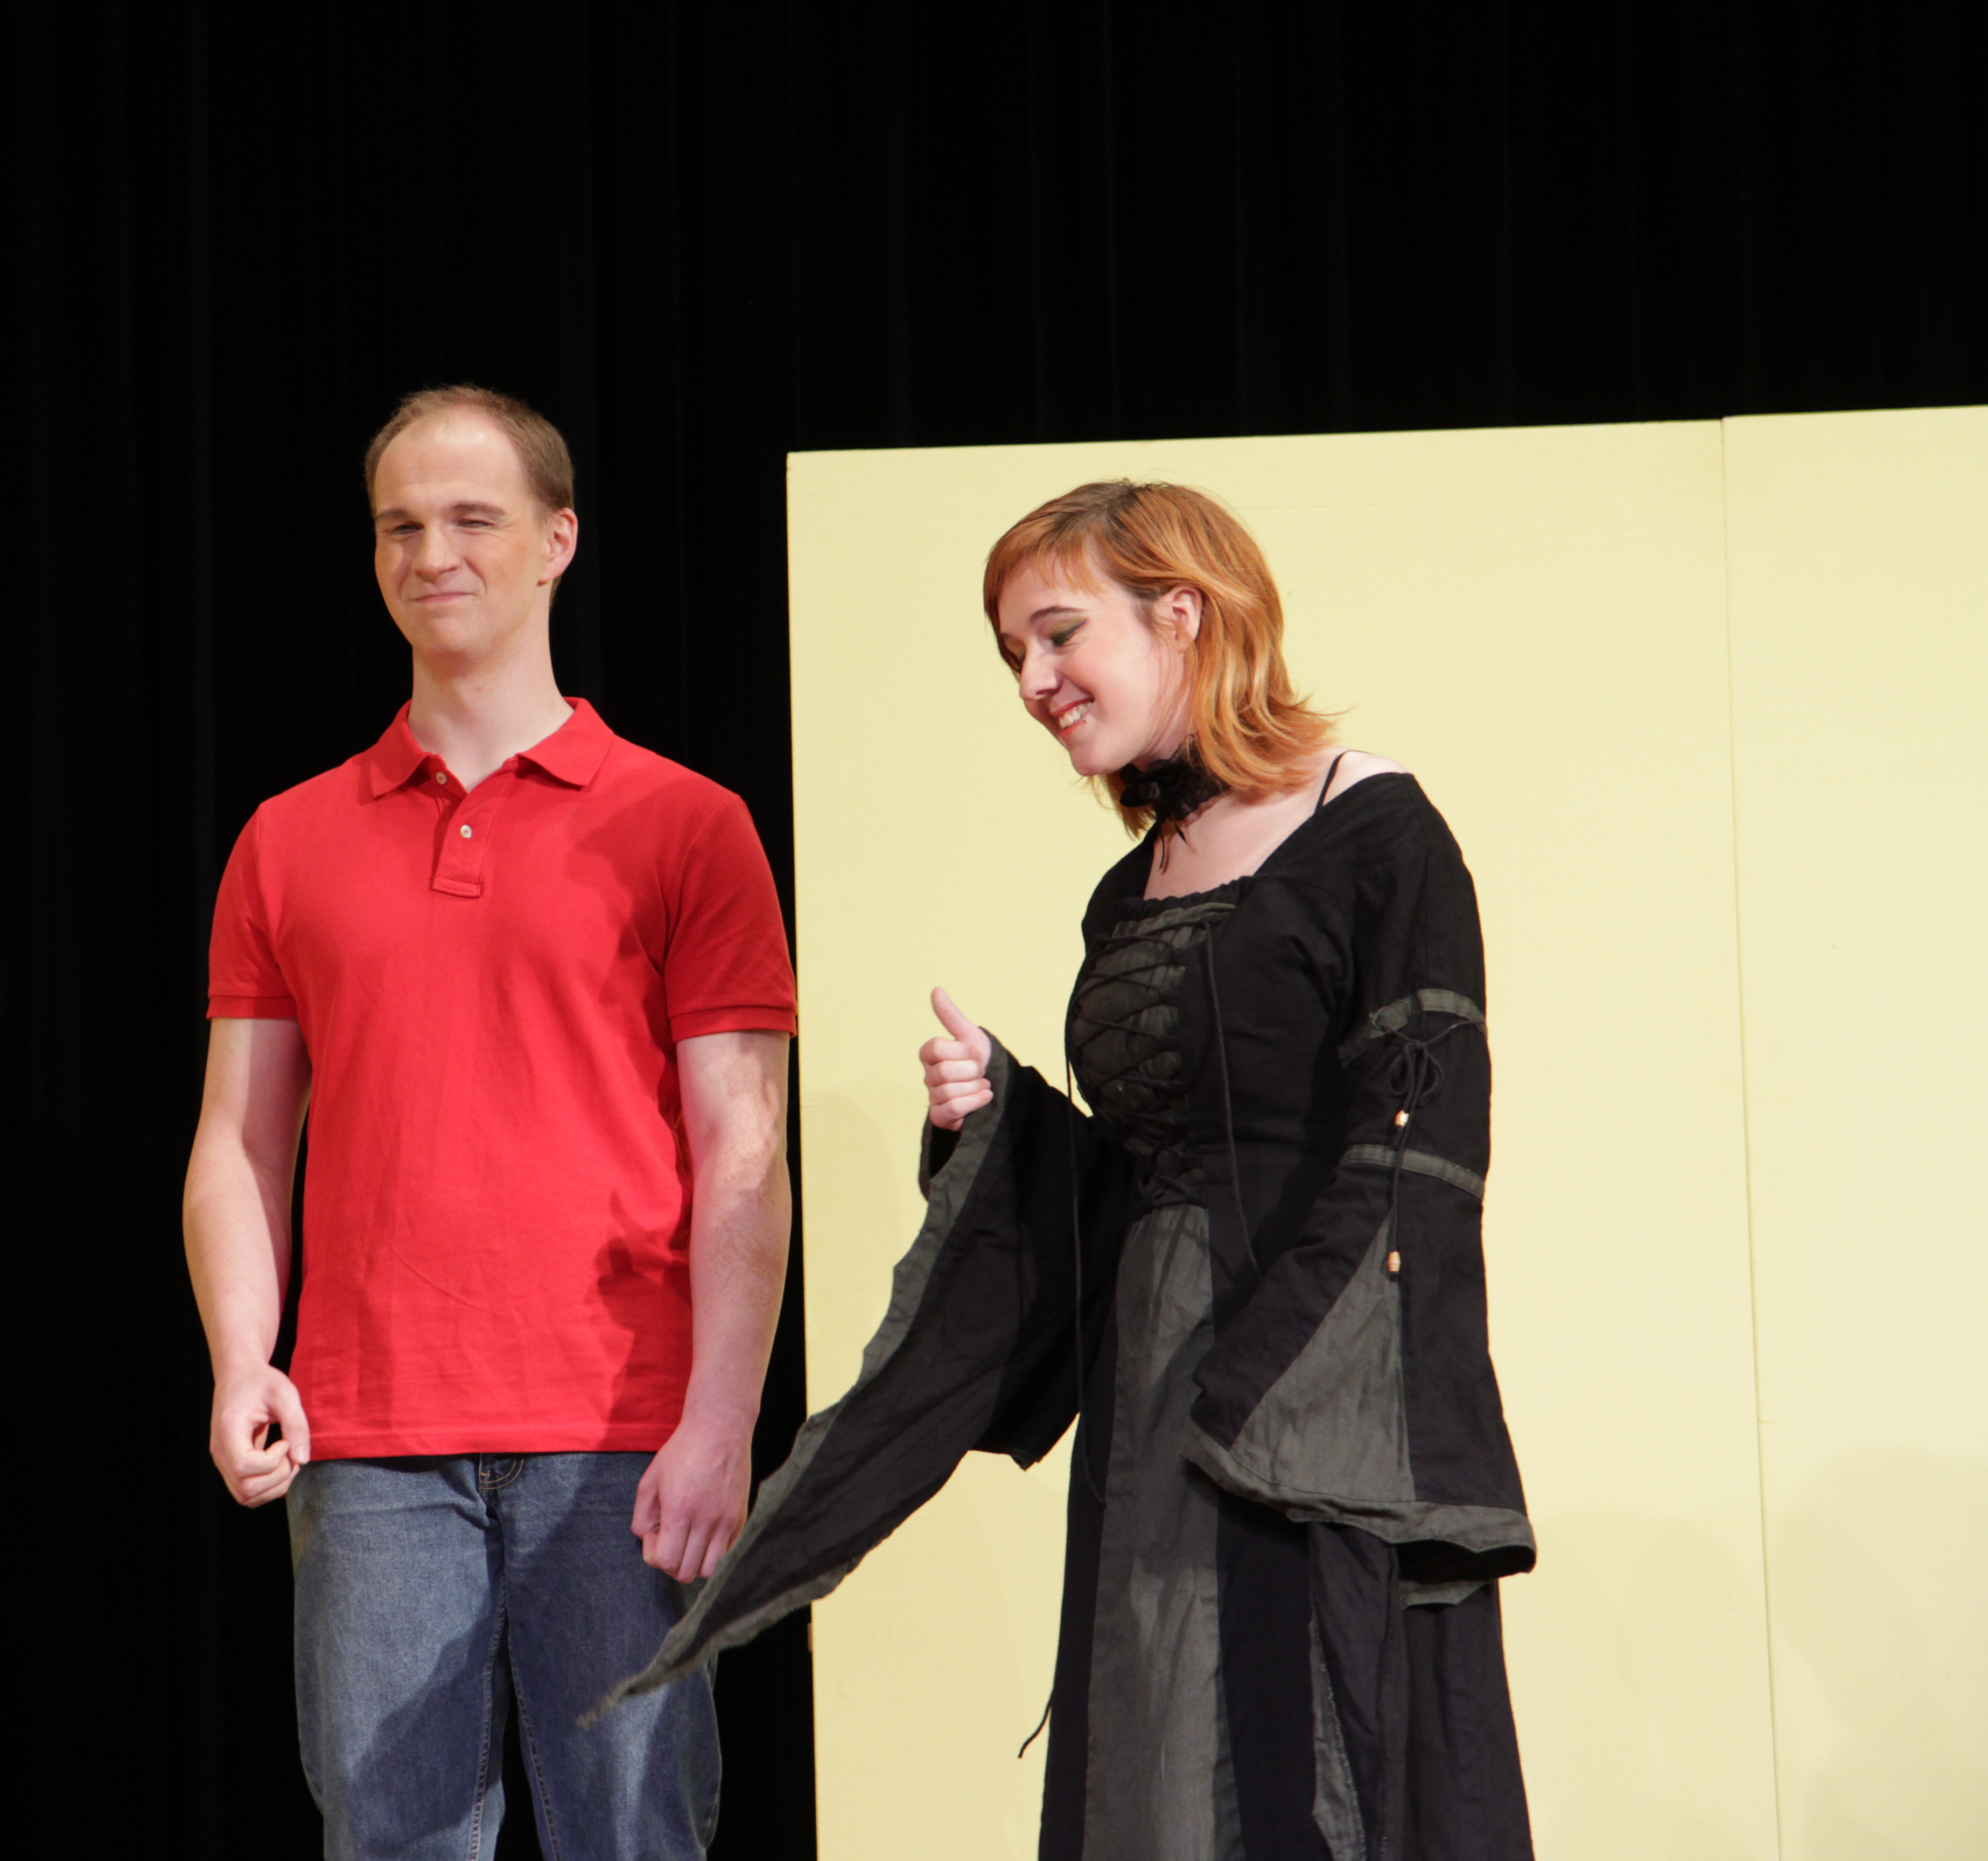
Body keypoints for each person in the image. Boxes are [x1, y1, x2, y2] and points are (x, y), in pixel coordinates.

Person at [610, 481, 1535, 1860]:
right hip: (1157, 1404)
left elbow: (1420, 1143)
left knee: (1299, 1768)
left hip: (1311, 1411)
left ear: (1185, 612)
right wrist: (1002, 1122)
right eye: (1013, 656)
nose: (1034, 682)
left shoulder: (1375, 832)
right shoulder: (1131, 889)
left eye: (1058, 635)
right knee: (1151, 1762)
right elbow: (1138, 1185)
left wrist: (1259, 1388)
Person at [184, 385, 796, 1860]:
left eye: (473, 519)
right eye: (400, 525)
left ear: (556, 542)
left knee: (637, 1838)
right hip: (369, 1440)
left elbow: (747, 1153)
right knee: (391, 1843)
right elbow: (240, 1142)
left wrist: (722, 1419)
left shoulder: (686, 823)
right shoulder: (287, 837)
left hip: (624, 1439)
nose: (432, 554)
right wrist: (241, 1358)